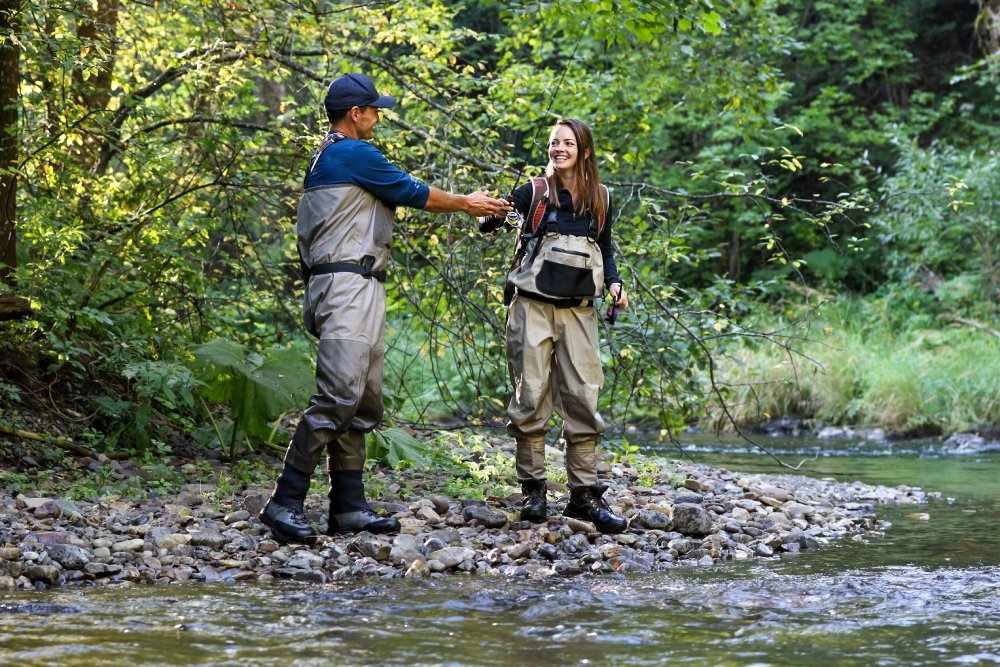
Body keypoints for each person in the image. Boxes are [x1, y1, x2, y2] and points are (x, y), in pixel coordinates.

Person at [260, 73, 510, 544]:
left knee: (361, 400)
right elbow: (412, 192)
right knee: (338, 396)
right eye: (374, 110)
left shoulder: (330, 155)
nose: (378, 117)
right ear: (355, 114)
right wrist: (468, 203)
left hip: (356, 283)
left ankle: (348, 506)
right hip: (346, 286)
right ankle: (284, 502)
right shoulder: (353, 153)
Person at [480, 118, 629, 534]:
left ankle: (584, 498)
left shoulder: (601, 197)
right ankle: (534, 493)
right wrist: (494, 213)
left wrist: (615, 284)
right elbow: (491, 224)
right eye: (552, 143)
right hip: (531, 308)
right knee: (530, 396)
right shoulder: (533, 192)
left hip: (580, 311)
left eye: (566, 143)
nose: (558, 149)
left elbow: (606, 248)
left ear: (584, 150)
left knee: (582, 398)